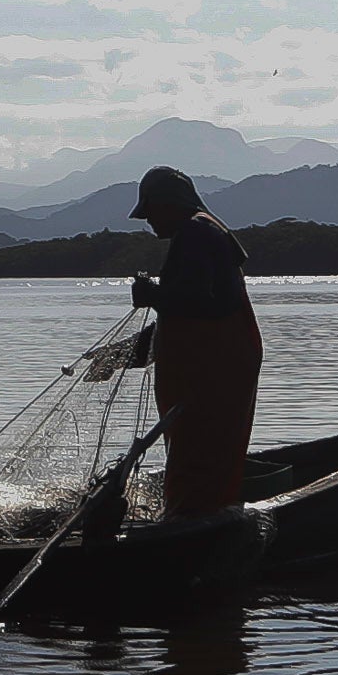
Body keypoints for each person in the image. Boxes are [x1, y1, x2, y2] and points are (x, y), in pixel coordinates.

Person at [125, 166, 260, 516]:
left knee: (199, 448)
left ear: (169, 204)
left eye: (150, 211)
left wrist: (152, 295)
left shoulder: (196, 233)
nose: (148, 221)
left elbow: (201, 305)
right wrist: (125, 353)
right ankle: (198, 512)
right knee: (200, 450)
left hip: (213, 370)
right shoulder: (199, 232)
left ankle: (191, 519)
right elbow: (184, 317)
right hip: (216, 364)